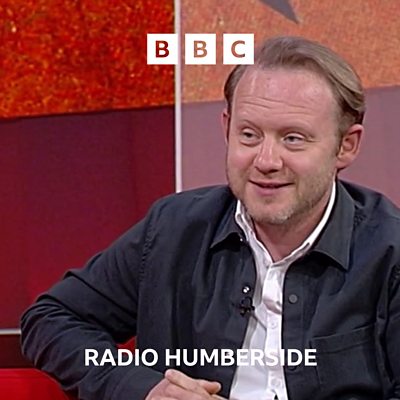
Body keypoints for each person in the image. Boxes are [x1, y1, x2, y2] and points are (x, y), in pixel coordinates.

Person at [20, 36, 400, 400]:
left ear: (346, 146)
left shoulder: (389, 250)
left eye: (293, 139)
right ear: (226, 128)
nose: (266, 161)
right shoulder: (173, 229)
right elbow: (51, 319)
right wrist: (140, 388)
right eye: (249, 135)